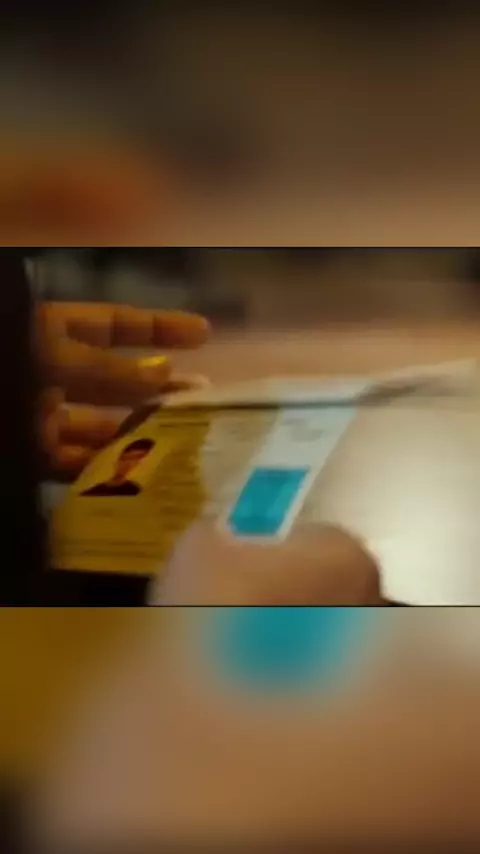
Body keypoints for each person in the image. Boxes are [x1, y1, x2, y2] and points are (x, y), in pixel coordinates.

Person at [80, 438, 155, 497]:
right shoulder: (93, 492)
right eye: (124, 459)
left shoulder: (139, 491)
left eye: (138, 459)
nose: (129, 464)